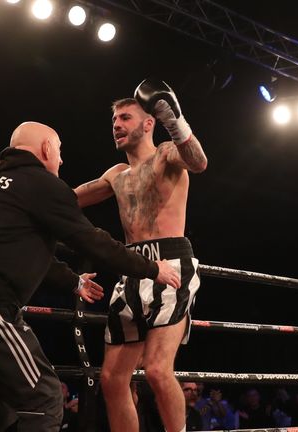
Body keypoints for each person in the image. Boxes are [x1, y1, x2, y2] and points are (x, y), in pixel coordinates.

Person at [0, 121, 180, 432]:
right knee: (45, 397)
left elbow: (24, 250)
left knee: (9, 395)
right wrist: (153, 268)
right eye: (59, 152)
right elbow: (92, 240)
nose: (61, 161)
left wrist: (74, 281)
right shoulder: (41, 184)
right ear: (46, 148)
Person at [74, 81, 207, 432]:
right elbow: (66, 202)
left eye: (125, 118)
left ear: (148, 123)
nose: (116, 125)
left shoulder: (167, 153)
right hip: (131, 268)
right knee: (112, 378)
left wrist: (174, 121)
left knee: (158, 369)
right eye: (114, 119)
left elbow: (199, 161)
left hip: (172, 263)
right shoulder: (116, 175)